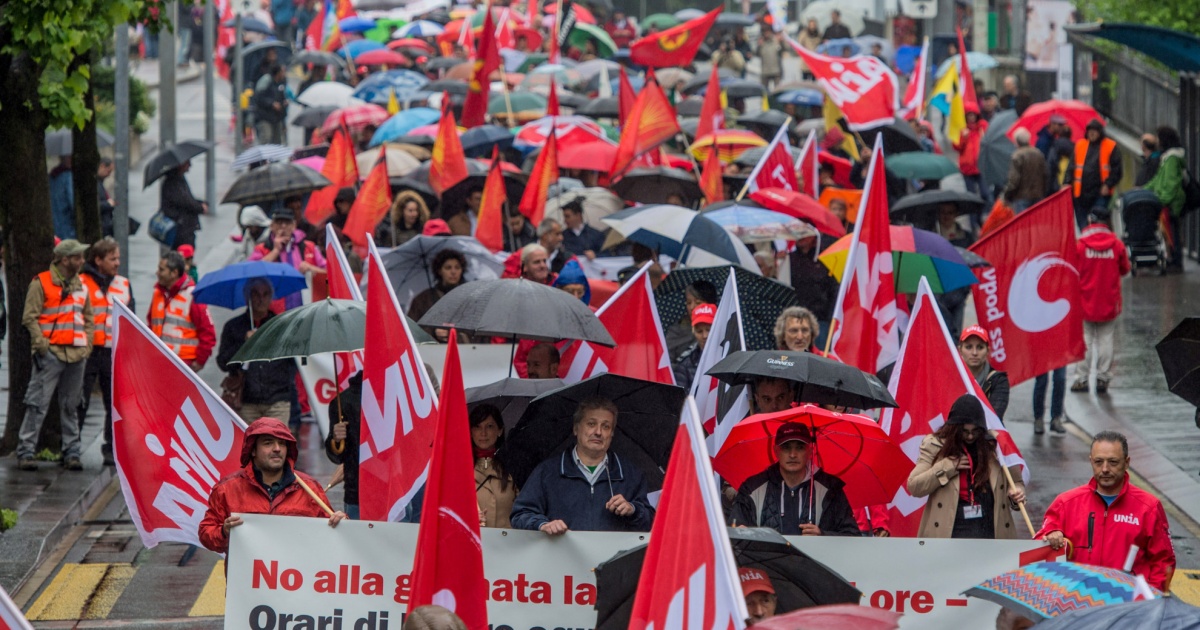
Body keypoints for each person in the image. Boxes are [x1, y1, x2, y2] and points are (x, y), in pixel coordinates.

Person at [1036, 431, 1175, 591]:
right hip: (1077, 603)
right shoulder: (1065, 503)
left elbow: (1164, 562)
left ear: (1127, 462)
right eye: (1098, 462)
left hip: (1130, 607)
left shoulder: (1149, 508)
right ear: (1091, 461)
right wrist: (1050, 536)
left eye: (1113, 462)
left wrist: (1148, 600)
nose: (1105, 469)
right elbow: (1039, 544)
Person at [199, 417, 347, 556]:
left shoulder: (309, 488)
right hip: (246, 581)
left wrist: (342, 522)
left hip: (295, 580)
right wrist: (224, 532)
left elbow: (333, 536)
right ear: (253, 450)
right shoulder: (227, 489)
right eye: (268, 443)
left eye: (282, 443)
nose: (277, 448)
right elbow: (206, 534)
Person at [510, 397, 655, 533]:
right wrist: (542, 524)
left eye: (606, 426)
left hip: (614, 559)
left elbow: (651, 523)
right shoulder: (547, 472)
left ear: (612, 433)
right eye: (591, 424)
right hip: (561, 558)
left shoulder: (631, 474)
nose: (598, 432)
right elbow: (520, 514)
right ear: (576, 428)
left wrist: (633, 510)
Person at [15, 239, 94, 471]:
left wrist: (86, 345)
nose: (82, 261)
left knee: (71, 405)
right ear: (64, 259)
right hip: (51, 354)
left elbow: (88, 319)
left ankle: (71, 452)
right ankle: (26, 450)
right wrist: (42, 346)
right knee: (37, 403)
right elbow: (29, 317)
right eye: (78, 257)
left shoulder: (82, 286)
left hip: (76, 355)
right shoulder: (41, 283)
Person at [907, 395, 1025, 539]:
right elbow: (915, 486)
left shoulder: (996, 446)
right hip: (950, 528)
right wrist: (947, 467)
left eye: (975, 431)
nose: (970, 437)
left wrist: (1016, 494)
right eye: (964, 431)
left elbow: (1017, 483)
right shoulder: (934, 445)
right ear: (954, 429)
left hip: (990, 527)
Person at [730, 423, 861, 535]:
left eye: (799, 447)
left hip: (814, 564)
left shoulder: (831, 490)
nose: (793, 455)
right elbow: (733, 534)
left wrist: (823, 535)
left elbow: (852, 537)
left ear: (810, 451)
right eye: (786, 448)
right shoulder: (752, 488)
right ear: (776, 451)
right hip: (763, 565)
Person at [77, 238, 133, 466]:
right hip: (89, 350)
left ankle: (111, 449)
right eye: (113, 258)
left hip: (113, 351)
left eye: (118, 258)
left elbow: (131, 320)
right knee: (80, 400)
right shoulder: (82, 283)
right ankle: (72, 448)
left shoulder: (123, 284)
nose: (117, 263)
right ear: (98, 260)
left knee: (114, 404)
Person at [217, 278, 298, 423]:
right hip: (245, 402)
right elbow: (223, 362)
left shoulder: (281, 326)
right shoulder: (233, 326)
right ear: (248, 296)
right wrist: (244, 343)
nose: (261, 299)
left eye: (266, 294)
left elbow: (292, 360)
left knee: (275, 443)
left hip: (277, 401)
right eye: (256, 294)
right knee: (248, 444)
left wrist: (285, 385)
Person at [1071, 203, 1130, 394]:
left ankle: (1081, 379)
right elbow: (1125, 269)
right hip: (1108, 301)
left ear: (1090, 220)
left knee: (1086, 340)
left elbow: (1073, 271)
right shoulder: (1117, 244)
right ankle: (1103, 378)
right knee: (1106, 339)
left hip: (1085, 300)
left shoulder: (1080, 245)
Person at [148, 251, 216, 371]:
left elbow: (208, 332)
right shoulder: (158, 293)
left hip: (183, 364)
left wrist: (199, 361)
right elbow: (151, 324)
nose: (157, 273)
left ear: (174, 273)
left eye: (161, 269)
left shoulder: (192, 296)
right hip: (159, 361)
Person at [249, 208, 327, 310]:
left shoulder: (309, 247)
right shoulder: (262, 249)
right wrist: (275, 251)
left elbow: (328, 273)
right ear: (272, 226)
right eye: (279, 223)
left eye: (287, 223)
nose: (283, 226)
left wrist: (311, 268)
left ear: (294, 225)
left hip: (308, 307)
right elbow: (251, 272)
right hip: (276, 311)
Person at [1063, 119, 1122, 230]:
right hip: (1080, 195)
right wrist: (1067, 182)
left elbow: (1117, 170)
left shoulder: (1110, 146)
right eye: (1090, 130)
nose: (1092, 133)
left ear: (1100, 132)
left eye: (1095, 130)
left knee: (1097, 224)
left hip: (1100, 194)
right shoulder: (1080, 145)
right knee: (1084, 226)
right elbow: (1071, 167)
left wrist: (1108, 184)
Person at [1144, 125, 1186, 272]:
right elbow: (1158, 179)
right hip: (1168, 201)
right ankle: (1173, 260)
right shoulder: (1168, 157)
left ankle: (1176, 262)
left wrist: (1162, 200)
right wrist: (1143, 190)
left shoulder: (1172, 159)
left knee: (1172, 232)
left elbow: (1170, 183)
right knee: (1171, 232)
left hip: (1171, 204)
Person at [470, 404, 517, 528]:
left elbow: (523, 511)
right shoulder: (458, 468)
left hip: (505, 544)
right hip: (470, 542)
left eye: (489, 426)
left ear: (500, 430)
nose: (483, 433)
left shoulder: (514, 466)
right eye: (477, 427)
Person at [409, 249, 468, 343]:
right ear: (439, 271)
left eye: (457, 267)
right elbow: (412, 329)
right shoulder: (422, 299)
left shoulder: (469, 298)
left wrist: (458, 335)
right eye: (448, 268)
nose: (453, 272)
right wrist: (433, 332)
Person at [958, 325, 1009, 420]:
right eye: (969, 347)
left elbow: (995, 418)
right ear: (960, 350)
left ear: (988, 351)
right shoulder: (950, 377)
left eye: (980, 347)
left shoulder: (998, 381)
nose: (974, 353)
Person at [160, 160, 208, 250]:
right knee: (185, 252)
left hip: (182, 226)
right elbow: (185, 201)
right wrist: (200, 207)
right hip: (181, 227)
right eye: (187, 162)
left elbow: (187, 199)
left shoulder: (178, 179)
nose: (190, 165)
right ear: (179, 164)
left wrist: (201, 203)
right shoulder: (174, 182)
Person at [1003, 128, 1048, 212]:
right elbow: (1045, 174)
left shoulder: (1017, 156)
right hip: (1038, 195)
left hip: (1022, 196)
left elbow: (1014, 179)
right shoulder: (1038, 153)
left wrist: (1007, 195)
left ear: (1016, 141)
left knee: (1024, 223)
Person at [953, 103, 989, 203]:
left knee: (985, 193)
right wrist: (963, 138)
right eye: (969, 115)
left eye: (973, 115)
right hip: (967, 167)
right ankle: (974, 218)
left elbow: (989, 143)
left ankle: (984, 213)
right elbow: (956, 147)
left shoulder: (982, 127)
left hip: (981, 166)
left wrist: (984, 137)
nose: (971, 117)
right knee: (971, 196)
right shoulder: (962, 129)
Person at [673, 303, 714, 386]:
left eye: (709, 330)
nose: (705, 336)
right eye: (699, 331)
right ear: (693, 331)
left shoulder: (731, 355)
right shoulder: (685, 364)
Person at [253, 64, 288, 145]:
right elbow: (259, 98)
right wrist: (271, 103)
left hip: (277, 118)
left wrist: (284, 103)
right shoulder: (267, 82)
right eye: (282, 72)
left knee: (277, 141)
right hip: (265, 117)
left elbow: (281, 97)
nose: (284, 74)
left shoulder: (281, 84)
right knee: (266, 138)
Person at [50, 155, 76, 239]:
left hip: (54, 224)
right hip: (67, 225)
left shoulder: (51, 176)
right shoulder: (68, 176)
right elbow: (72, 202)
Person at [97, 158, 116, 237]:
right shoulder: (97, 184)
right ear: (102, 166)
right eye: (108, 171)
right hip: (103, 226)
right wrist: (108, 204)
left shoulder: (100, 183)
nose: (109, 175)